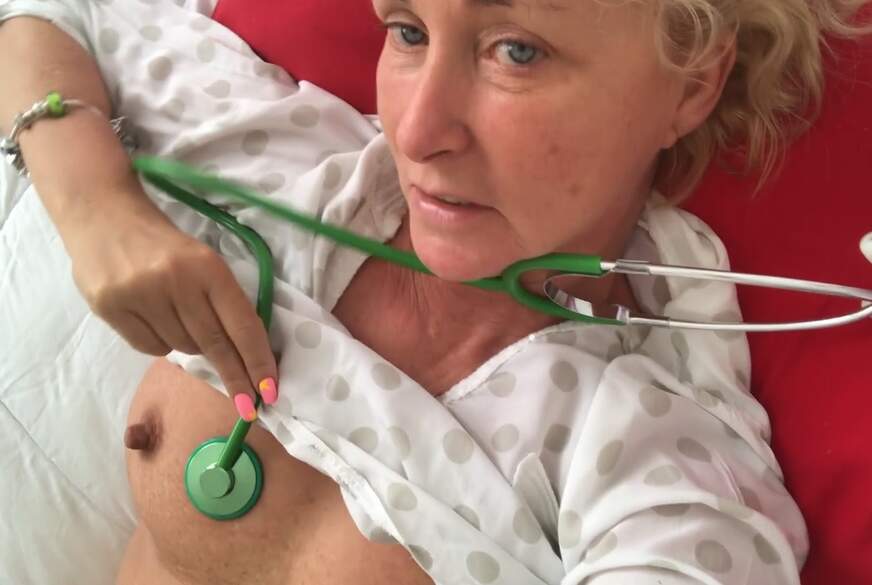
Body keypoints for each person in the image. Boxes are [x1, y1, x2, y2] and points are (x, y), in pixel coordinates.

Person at [1, 0, 869, 584]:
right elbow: (49, 18)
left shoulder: (652, 456)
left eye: (516, 51)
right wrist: (98, 207)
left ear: (694, 82)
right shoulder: (302, 168)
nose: (415, 131)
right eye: (408, 30)